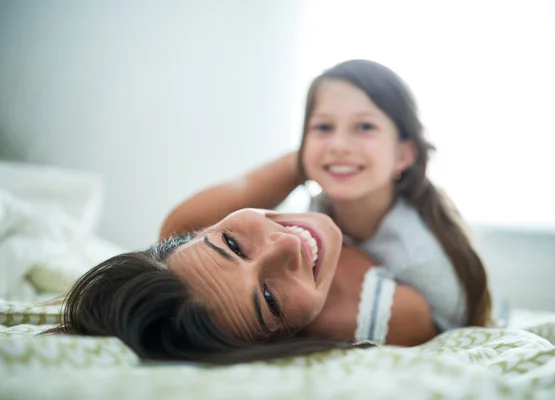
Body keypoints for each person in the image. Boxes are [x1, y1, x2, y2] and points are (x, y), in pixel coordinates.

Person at [161, 60, 494, 341]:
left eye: (364, 126)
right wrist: (309, 160)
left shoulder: (417, 257)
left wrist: (319, 157)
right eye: (323, 127)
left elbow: (453, 325)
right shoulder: (324, 207)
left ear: (404, 155)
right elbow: (181, 232)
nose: (338, 144)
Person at [48, 208, 436, 366]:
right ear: (284, 342)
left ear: (198, 232)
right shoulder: (394, 317)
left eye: (231, 245)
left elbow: (298, 158)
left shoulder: (184, 222)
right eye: (269, 300)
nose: (287, 244)